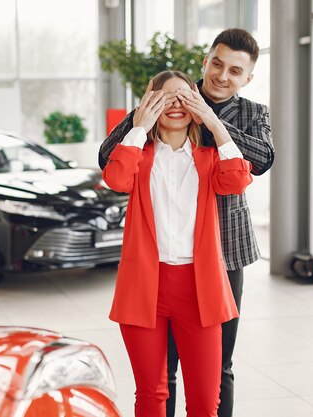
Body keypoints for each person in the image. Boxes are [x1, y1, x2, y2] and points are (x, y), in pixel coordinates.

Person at [99, 28, 274, 417]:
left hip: (222, 258)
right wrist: (148, 117)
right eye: (217, 63)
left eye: (234, 70)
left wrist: (212, 122)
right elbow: (109, 161)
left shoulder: (250, 114)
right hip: (154, 269)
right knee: (161, 377)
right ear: (205, 61)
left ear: (247, 77)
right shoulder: (168, 100)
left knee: (217, 371)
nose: (222, 75)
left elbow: (260, 160)